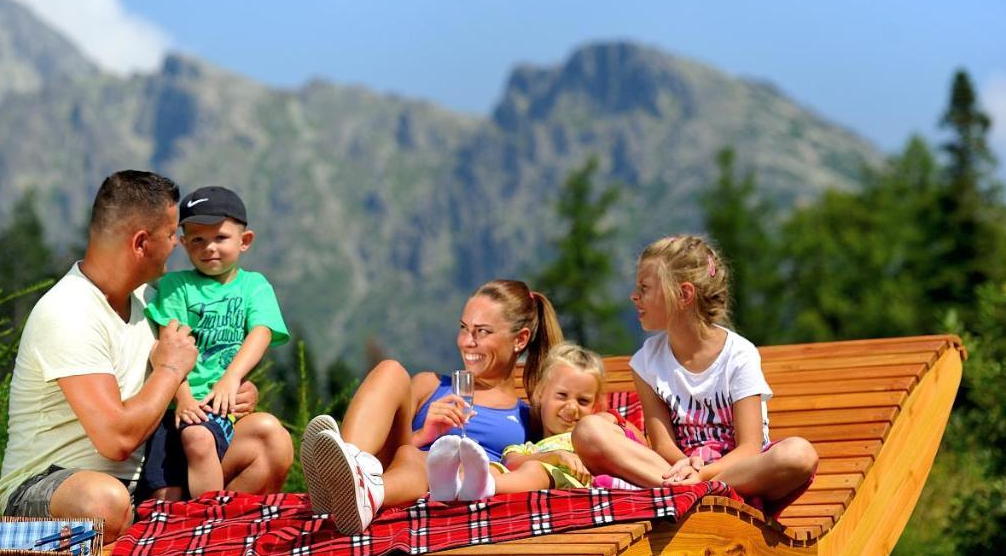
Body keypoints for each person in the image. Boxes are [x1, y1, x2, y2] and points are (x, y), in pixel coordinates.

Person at [0, 171, 292, 542]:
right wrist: (169, 369)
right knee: (103, 501)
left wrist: (231, 391)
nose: (177, 247)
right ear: (141, 243)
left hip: (150, 480)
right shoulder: (68, 311)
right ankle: (172, 543)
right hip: (53, 487)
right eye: (172, 236)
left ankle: (202, 544)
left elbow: (193, 371)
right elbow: (116, 441)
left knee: (270, 442)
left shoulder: (151, 303)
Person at [572, 235, 818, 512]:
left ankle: (694, 493)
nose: (634, 296)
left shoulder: (739, 355)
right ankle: (698, 495)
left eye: (645, 287)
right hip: (675, 469)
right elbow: (663, 444)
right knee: (588, 430)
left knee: (799, 454)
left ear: (684, 294)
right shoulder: (646, 362)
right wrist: (686, 467)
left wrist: (702, 475)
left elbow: (749, 448)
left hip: (735, 470)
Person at [300, 279, 561, 534]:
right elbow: (391, 446)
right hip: (392, 469)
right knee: (390, 371)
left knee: (427, 459)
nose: (467, 341)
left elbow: (551, 461)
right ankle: (347, 471)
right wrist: (423, 435)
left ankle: (350, 490)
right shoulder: (429, 385)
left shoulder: (528, 417)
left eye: (482, 331)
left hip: (449, 483)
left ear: (520, 339)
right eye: (463, 328)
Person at [143, 186, 289, 499]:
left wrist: (230, 380)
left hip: (220, 407)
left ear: (244, 241)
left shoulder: (254, 286)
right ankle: (195, 524)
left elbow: (261, 331)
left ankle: (210, 521)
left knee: (199, 437)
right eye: (198, 239)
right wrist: (181, 397)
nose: (209, 248)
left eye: (220, 238)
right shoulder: (175, 287)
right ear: (183, 243)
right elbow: (166, 347)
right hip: (174, 408)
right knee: (164, 498)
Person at [430, 342, 641, 500]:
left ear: (595, 406)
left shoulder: (593, 438)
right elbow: (511, 462)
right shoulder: (530, 447)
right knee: (494, 466)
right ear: (540, 394)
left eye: (583, 401)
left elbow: (634, 449)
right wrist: (553, 456)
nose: (572, 407)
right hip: (533, 462)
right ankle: (452, 485)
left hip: (571, 482)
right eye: (562, 396)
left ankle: (484, 486)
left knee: (537, 471)